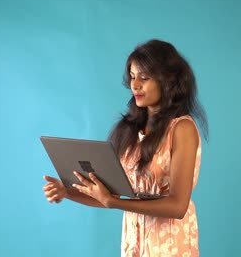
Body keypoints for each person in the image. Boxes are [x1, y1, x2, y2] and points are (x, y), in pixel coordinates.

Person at [42, 39, 208, 256]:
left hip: (170, 245)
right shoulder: (132, 129)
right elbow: (111, 197)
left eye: (144, 77)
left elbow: (178, 206)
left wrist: (113, 202)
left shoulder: (182, 128)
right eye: (132, 77)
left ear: (168, 80)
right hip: (134, 244)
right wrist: (67, 191)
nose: (135, 85)